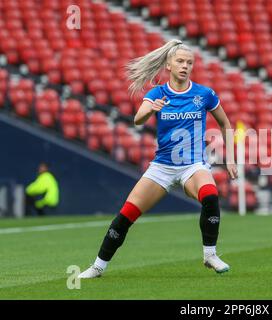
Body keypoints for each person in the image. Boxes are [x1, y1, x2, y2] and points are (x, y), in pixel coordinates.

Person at [78, 39, 237, 278]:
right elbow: (137, 119)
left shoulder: (204, 94)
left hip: (192, 165)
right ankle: (98, 266)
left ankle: (210, 255)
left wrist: (231, 159)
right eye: (180, 61)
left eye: (189, 62)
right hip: (162, 166)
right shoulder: (158, 93)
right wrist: (151, 109)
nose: (185, 66)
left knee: (211, 195)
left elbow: (225, 123)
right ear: (169, 65)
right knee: (126, 215)